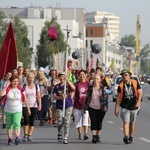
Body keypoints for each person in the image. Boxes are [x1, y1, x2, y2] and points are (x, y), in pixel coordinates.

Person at [0, 75, 31, 145]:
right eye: (14, 81)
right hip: (8, 110)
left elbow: (25, 99)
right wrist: (6, 86)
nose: (16, 83)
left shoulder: (20, 89)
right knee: (9, 125)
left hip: (18, 110)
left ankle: (17, 137)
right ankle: (10, 138)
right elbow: (1, 94)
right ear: (11, 82)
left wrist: (28, 108)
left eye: (17, 81)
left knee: (17, 124)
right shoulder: (8, 89)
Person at [114, 69, 142, 144]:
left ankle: (131, 136)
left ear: (129, 75)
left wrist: (139, 102)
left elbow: (140, 93)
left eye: (126, 75)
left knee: (132, 123)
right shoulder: (121, 85)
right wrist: (116, 108)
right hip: (124, 106)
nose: (124, 76)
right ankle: (126, 136)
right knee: (126, 122)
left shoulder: (135, 82)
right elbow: (118, 98)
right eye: (123, 75)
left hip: (134, 106)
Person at [84, 74, 110, 143]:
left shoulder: (103, 88)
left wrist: (106, 107)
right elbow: (87, 98)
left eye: (97, 79)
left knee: (99, 122)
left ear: (100, 80)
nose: (96, 80)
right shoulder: (90, 88)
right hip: (92, 107)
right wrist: (85, 107)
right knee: (93, 121)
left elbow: (106, 98)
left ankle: (98, 135)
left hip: (101, 108)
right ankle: (94, 136)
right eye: (95, 79)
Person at [53, 72, 75, 144]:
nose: (62, 78)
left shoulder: (67, 85)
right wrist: (61, 97)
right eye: (61, 77)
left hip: (68, 105)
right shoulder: (56, 87)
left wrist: (67, 80)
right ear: (59, 78)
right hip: (60, 106)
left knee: (67, 121)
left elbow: (73, 88)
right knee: (59, 121)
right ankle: (59, 132)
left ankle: (65, 137)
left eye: (63, 77)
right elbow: (54, 96)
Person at [22, 72, 41, 141]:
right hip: (25, 105)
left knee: (32, 121)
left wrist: (40, 104)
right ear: (27, 79)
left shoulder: (36, 86)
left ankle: (29, 135)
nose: (31, 79)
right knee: (26, 120)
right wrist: (27, 107)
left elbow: (38, 96)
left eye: (32, 78)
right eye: (29, 78)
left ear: (34, 79)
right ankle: (25, 134)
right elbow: (24, 97)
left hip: (34, 105)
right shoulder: (24, 86)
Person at [73, 70, 90, 140]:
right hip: (77, 105)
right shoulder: (76, 84)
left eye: (83, 74)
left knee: (85, 120)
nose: (82, 76)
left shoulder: (88, 84)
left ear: (85, 75)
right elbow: (73, 93)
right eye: (80, 75)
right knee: (78, 121)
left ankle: (85, 133)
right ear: (78, 76)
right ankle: (80, 134)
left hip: (86, 105)